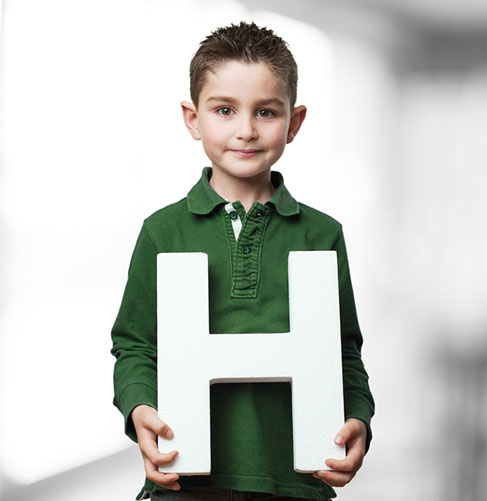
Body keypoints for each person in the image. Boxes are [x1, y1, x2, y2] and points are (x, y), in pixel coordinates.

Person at [110, 21, 375, 500]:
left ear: (294, 123)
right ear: (193, 119)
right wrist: (139, 407)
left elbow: (343, 351)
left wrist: (358, 415)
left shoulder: (322, 235)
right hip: (184, 479)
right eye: (225, 110)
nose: (246, 130)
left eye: (267, 112)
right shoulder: (162, 231)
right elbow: (134, 345)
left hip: (293, 481)